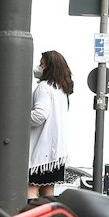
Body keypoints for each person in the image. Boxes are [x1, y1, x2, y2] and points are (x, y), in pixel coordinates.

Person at [29, 50, 74, 199]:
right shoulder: (61, 91)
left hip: (40, 153)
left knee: (31, 188)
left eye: (42, 64)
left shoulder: (44, 87)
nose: (38, 67)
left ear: (50, 67)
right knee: (48, 193)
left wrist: (20, 119)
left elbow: (40, 115)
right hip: (57, 154)